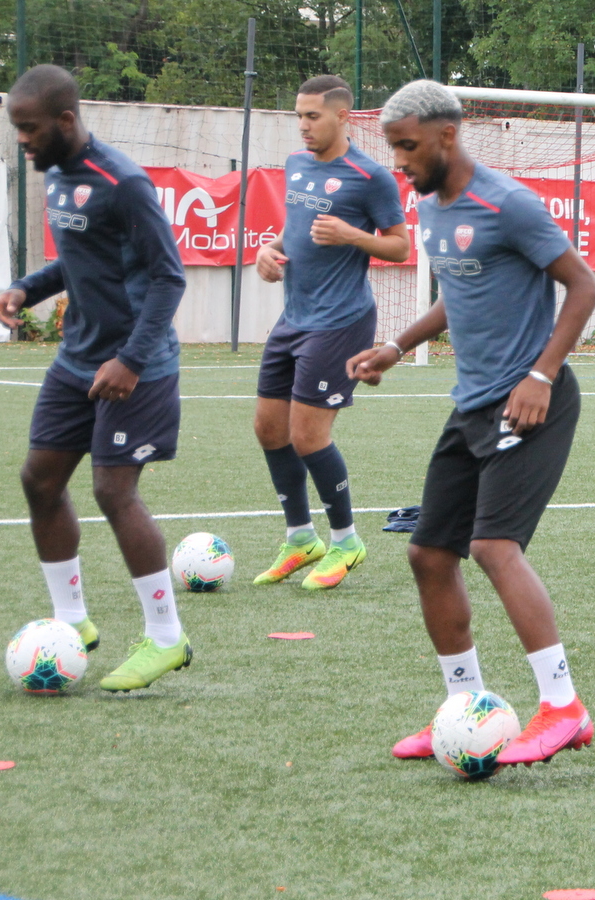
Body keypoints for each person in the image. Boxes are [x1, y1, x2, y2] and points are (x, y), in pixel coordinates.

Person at [349, 80, 595, 767]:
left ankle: (564, 707)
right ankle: (466, 706)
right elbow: (458, 293)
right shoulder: (431, 207)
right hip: (472, 404)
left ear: (447, 135)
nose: (399, 161)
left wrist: (541, 375)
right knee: (429, 554)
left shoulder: (508, 203)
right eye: (393, 147)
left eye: (407, 146)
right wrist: (395, 346)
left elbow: (583, 286)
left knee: (493, 547)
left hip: (531, 400)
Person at [0, 65, 193, 691]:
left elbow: (169, 276)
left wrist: (131, 361)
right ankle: (72, 620)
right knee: (39, 480)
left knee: (112, 491)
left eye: (29, 128)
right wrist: (25, 288)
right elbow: (77, 261)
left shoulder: (122, 183)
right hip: (76, 361)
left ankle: (167, 638)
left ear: (66, 121)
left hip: (137, 367)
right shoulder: (57, 176)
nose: (22, 140)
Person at [252, 75, 409, 590]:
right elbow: (294, 229)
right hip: (294, 316)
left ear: (343, 117)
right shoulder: (296, 165)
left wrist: (351, 235)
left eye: (312, 116)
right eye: (299, 116)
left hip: (341, 320)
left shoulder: (370, 177)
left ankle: (345, 541)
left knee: (307, 436)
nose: (303, 126)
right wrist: (268, 250)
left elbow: (400, 246)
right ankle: (301, 538)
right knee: (269, 429)